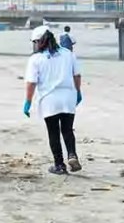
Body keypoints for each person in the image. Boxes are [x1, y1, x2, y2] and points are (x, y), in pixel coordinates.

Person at [24, 25, 83, 175]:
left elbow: (31, 82)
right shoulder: (68, 54)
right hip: (68, 97)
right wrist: (78, 92)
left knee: (53, 132)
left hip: (49, 100)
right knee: (68, 129)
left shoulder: (35, 59)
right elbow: (77, 75)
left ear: (39, 42)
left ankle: (59, 165)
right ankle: (72, 155)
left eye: (35, 43)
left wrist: (28, 102)